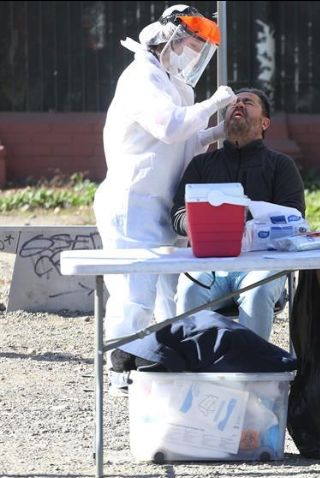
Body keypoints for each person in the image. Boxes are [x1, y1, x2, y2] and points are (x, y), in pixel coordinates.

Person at [95, 4, 237, 382]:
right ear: (170, 38)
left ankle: (156, 363)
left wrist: (215, 133)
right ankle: (119, 368)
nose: (194, 54)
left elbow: (185, 146)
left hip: (161, 207)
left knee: (165, 295)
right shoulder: (141, 77)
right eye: (191, 43)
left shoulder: (176, 86)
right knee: (133, 293)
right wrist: (215, 102)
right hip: (132, 204)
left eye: (200, 48)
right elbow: (170, 128)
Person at [171, 88, 305, 340]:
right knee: (189, 290)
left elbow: (294, 219)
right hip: (207, 264)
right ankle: (195, 369)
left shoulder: (281, 166)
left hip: (262, 266)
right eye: (233, 103)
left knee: (258, 292)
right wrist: (193, 225)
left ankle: (251, 371)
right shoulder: (202, 164)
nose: (238, 105)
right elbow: (177, 211)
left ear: (265, 123)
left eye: (248, 102)